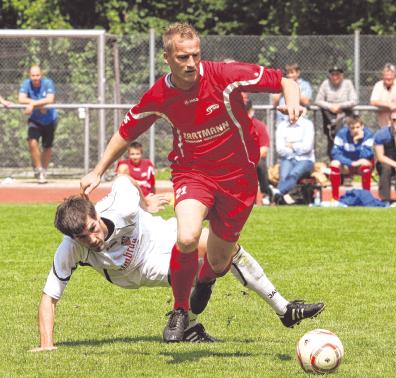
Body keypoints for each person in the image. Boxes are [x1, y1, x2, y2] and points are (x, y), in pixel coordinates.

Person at [80, 22, 303, 342]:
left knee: (218, 260)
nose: (191, 63)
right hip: (193, 173)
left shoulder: (225, 76)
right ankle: (180, 310)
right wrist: (98, 170)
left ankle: (206, 282)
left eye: (195, 55)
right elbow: (127, 131)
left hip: (238, 179)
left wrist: (293, 98)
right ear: (168, 58)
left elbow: (283, 80)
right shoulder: (160, 94)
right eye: (183, 57)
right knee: (186, 237)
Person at [31, 176, 324, 351]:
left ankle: (284, 309)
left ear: (95, 213)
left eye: (92, 229)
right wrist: (47, 344)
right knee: (187, 272)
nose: (91, 239)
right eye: (82, 237)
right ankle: (193, 310)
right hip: (138, 270)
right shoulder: (70, 248)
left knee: (224, 247)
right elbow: (49, 296)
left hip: (161, 231)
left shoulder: (122, 206)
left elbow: (123, 177)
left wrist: (144, 202)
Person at [18, 65, 58, 184]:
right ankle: (38, 169)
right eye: (33, 75)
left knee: (47, 146)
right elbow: (21, 99)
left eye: (37, 75)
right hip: (34, 120)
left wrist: (33, 104)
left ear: (41, 75)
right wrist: (38, 104)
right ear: (29, 76)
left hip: (49, 119)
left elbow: (50, 99)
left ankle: (44, 171)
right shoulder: (26, 84)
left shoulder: (48, 83)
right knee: (32, 142)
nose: (35, 78)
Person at [271, 116, 315, 205]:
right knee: (283, 177)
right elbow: (280, 149)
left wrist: (291, 145)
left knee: (293, 174)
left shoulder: (307, 124)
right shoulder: (282, 125)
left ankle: (276, 194)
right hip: (288, 157)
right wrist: (297, 147)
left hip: (306, 160)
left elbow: (307, 147)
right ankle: (282, 201)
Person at [315, 66, 357, 158]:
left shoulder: (348, 83)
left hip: (345, 115)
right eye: (332, 75)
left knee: (346, 139)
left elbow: (354, 100)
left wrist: (340, 106)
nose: (335, 77)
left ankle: (347, 163)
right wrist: (331, 106)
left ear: (342, 75)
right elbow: (318, 100)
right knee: (332, 142)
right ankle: (334, 164)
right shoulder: (325, 83)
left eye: (337, 74)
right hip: (330, 116)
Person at [329, 116, 374, 201]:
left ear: (362, 126)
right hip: (347, 165)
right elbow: (335, 153)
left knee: (366, 164)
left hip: (361, 165)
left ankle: (366, 196)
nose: (355, 130)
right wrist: (350, 163)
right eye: (352, 128)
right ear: (348, 128)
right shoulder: (341, 134)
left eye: (357, 127)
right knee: (334, 163)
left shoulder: (368, 134)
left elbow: (366, 155)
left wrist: (357, 141)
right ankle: (335, 198)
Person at [246, 99, 271, 205]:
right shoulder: (231, 125)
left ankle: (266, 194)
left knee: (260, 164)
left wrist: (249, 159)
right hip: (236, 159)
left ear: (251, 111)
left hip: (253, 159)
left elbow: (264, 149)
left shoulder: (259, 126)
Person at [374, 109, 396, 204]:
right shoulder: (381, 134)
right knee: (386, 168)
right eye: (394, 120)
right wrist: (394, 164)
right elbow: (380, 156)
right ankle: (385, 200)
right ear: (390, 121)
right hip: (386, 161)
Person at [370, 63, 396, 128]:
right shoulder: (378, 85)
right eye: (386, 74)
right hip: (383, 124)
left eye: (391, 74)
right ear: (383, 75)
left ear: (395, 75)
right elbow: (373, 101)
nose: (388, 77)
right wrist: (389, 104)